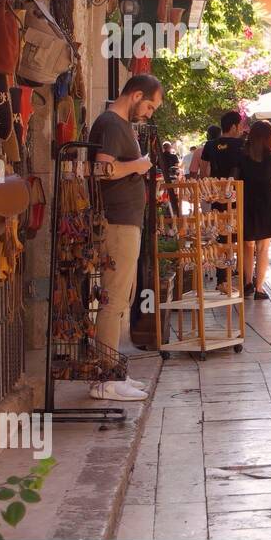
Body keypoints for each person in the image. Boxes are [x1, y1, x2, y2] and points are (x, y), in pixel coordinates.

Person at [87, 74, 163, 402]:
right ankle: (105, 380)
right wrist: (139, 165)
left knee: (121, 301)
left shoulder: (120, 125)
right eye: (149, 105)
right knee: (113, 301)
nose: (149, 112)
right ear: (135, 95)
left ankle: (115, 373)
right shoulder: (111, 124)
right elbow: (101, 171)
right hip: (116, 223)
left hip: (126, 222)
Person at [239, 120, 271, 300]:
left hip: (246, 200)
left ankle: (247, 283)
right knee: (263, 248)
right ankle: (259, 288)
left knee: (247, 244)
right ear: (269, 137)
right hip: (267, 202)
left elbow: (235, 177)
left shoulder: (243, 155)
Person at [200, 112, 245, 293]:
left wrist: (211, 190)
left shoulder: (210, 145)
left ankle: (222, 278)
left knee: (221, 235)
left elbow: (204, 172)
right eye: (240, 126)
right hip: (237, 194)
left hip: (217, 196)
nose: (241, 129)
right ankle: (240, 276)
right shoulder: (242, 145)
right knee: (238, 235)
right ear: (233, 126)